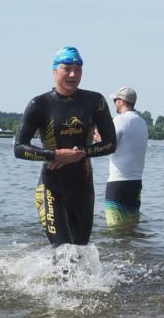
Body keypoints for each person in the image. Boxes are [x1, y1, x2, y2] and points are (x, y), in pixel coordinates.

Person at [14, 46, 117, 246]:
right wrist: (54, 155)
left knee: (80, 250)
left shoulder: (95, 101)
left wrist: (80, 154)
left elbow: (111, 144)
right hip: (51, 188)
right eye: (67, 68)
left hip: (83, 188)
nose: (73, 74)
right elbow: (19, 148)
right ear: (54, 71)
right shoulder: (40, 104)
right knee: (63, 250)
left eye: (78, 69)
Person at [105, 86, 148, 227]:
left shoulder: (120, 120)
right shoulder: (142, 122)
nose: (114, 103)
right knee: (131, 228)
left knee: (115, 229)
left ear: (121, 101)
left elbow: (107, 145)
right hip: (136, 184)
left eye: (115, 100)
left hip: (118, 183)